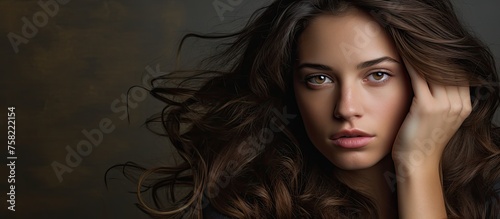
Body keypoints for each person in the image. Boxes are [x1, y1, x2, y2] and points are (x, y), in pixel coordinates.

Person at [116, 0, 500, 218]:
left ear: (431, 81)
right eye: (319, 79)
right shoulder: (249, 207)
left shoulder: (489, 190)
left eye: (378, 75)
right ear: (292, 91)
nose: (346, 108)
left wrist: (419, 164)